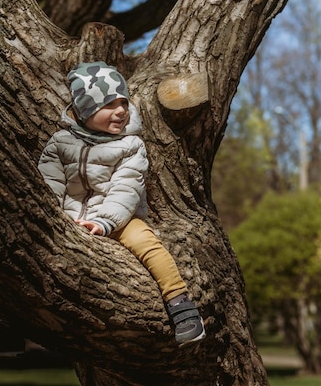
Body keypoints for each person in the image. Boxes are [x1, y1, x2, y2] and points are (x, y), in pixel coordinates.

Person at [37, 61, 205, 345]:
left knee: (147, 243)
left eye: (123, 103)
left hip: (119, 220)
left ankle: (181, 304)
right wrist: (56, 219)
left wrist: (105, 222)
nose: (120, 111)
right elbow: (47, 186)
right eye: (108, 105)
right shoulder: (59, 143)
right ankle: (9, 324)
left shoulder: (130, 145)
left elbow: (126, 187)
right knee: (37, 253)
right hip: (70, 218)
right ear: (83, 111)